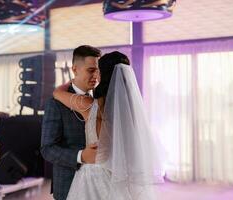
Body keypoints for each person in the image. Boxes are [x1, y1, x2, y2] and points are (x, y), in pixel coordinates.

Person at [53, 51, 164, 200]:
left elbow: (57, 93)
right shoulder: (131, 111)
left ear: (102, 74)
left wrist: (73, 80)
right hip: (120, 178)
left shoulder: (88, 105)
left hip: (93, 178)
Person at [41, 45, 101, 200]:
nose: (96, 75)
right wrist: (81, 156)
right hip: (68, 185)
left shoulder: (100, 99)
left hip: (99, 184)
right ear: (75, 69)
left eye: (98, 70)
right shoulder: (56, 103)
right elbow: (47, 149)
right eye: (91, 70)